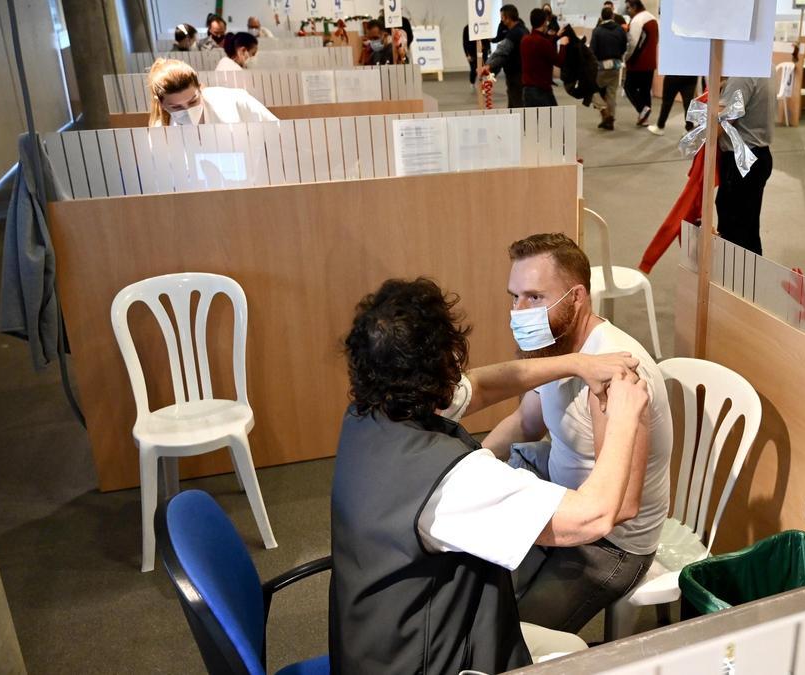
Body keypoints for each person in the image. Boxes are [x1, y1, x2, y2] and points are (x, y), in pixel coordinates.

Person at [330, 277, 651, 673]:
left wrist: (577, 363)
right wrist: (624, 417)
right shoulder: (455, 482)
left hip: (373, 642)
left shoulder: (370, 413)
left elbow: (478, 386)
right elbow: (593, 516)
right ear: (447, 361)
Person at [484, 234, 673, 634]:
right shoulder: (556, 349)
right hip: (562, 499)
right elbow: (527, 422)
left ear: (577, 298)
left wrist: (527, 526)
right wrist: (476, 458)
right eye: (514, 296)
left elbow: (621, 507)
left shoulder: (615, 376)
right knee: (474, 587)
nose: (519, 312)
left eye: (534, 297)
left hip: (612, 543)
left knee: (512, 636)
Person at [716, 77, 775, 255]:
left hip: (741, 159)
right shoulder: (764, 64)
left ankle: (738, 281)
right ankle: (750, 279)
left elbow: (717, 126)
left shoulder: (741, 75)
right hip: (757, 155)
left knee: (734, 232)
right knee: (747, 228)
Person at [146, 59, 277, 126]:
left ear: (200, 88)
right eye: (176, 107)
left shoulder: (236, 101)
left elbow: (281, 133)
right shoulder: (161, 130)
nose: (188, 110)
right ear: (162, 104)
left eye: (193, 101)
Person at [482, 5, 530, 108]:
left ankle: (520, 123)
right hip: (523, 73)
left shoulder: (513, 34)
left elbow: (501, 52)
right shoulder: (524, 30)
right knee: (515, 103)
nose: (501, 20)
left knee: (517, 104)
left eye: (502, 17)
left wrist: (487, 65)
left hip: (515, 75)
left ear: (508, 18)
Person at [519, 8, 570, 107]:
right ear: (544, 22)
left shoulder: (525, 40)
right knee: (552, 119)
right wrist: (563, 45)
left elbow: (542, 49)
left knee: (533, 121)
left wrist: (556, 37)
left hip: (527, 90)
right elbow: (559, 61)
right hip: (541, 91)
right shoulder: (543, 42)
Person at [590, 6, 627, 130]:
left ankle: (605, 113)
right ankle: (610, 120)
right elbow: (624, 47)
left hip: (601, 67)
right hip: (616, 66)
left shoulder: (597, 31)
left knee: (593, 91)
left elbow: (592, 51)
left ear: (601, 17)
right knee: (611, 94)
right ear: (612, 16)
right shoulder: (620, 30)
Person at [622, 0, 659, 126]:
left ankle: (642, 109)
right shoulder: (653, 18)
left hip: (637, 62)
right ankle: (644, 118)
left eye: (628, 8)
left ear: (634, 6)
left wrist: (626, 58)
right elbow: (657, 40)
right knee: (645, 90)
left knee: (628, 87)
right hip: (651, 62)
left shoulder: (637, 20)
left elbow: (632, 43)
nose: (627, 11)